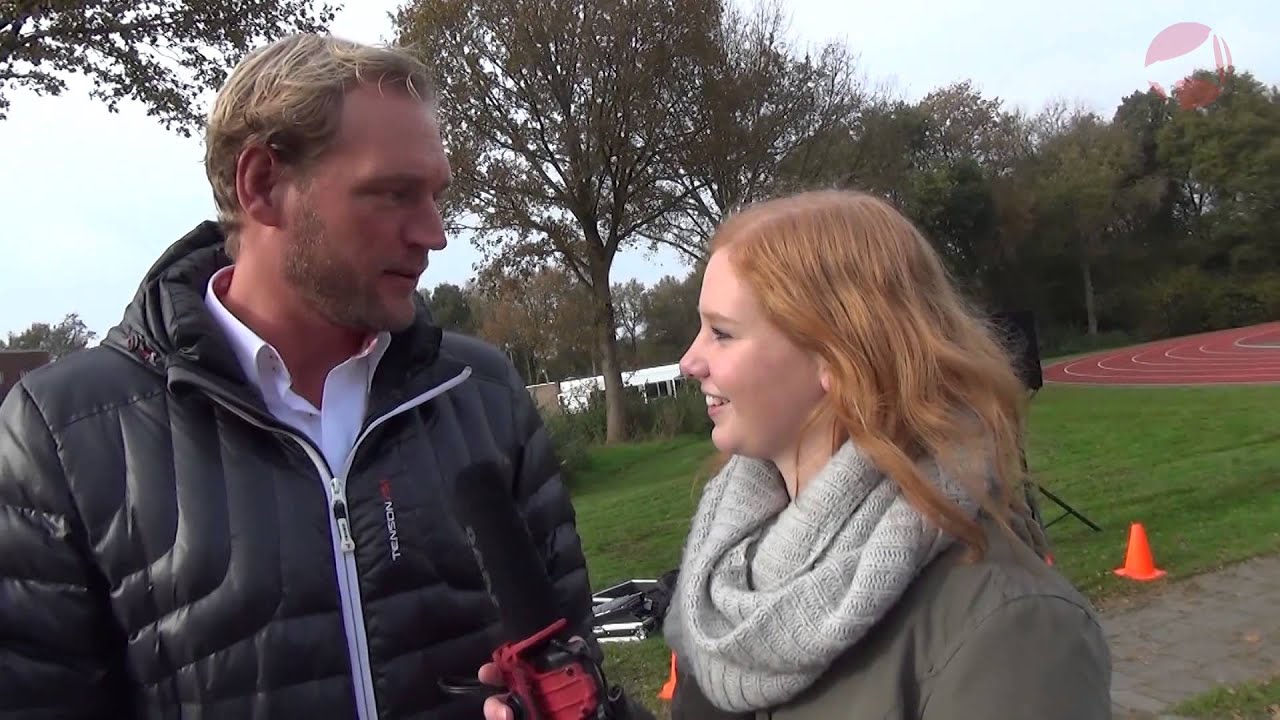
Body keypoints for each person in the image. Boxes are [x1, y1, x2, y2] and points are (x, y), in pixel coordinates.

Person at [0, 34, 606, 720]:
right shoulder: (62, 436)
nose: (434, 233)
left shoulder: (482, 392)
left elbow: (573, 664)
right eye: (393, 194)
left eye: (436, 194)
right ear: (261, 185)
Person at [660, 190, 1113, 719]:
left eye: (721, 333)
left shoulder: (1011, 628)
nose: (690, 361)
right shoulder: (725, 581)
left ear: (840, 356)